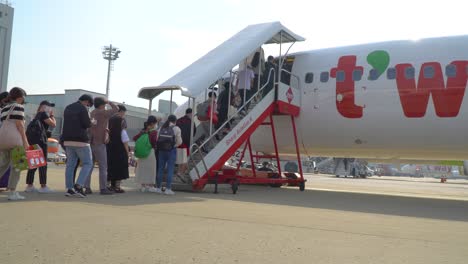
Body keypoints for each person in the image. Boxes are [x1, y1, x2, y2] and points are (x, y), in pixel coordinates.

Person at [0, 87, 30, 200]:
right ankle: (13, 193)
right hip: (15, 140)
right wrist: (25, 141)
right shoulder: (18, 106)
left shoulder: (4, 108)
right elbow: (20, 125)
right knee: (17, 166)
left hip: (3, 140)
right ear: (20, 97)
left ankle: (12, 192)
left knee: (3, 165)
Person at [62, 94, 94, 198]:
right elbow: (87, 124)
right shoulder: (83, 108)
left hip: (67, 140)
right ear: (87, 102)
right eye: (89, 105)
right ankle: (79, 185)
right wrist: (92, 122)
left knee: (70, 165)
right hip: (81, 141)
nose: (88, 106)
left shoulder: (68, 107)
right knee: (88, 163)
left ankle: (69, 188)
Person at [85, 97, 119, 195]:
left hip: (91, 142)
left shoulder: (92, 113)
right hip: (100, 143)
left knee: (89, 166)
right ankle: (103, 188)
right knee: (103, 167)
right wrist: (109, 102)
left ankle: (87, 187)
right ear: (102, 104)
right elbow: (116, 109)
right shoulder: (104, 113)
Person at [25, 100, 56, 193]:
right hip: (41, 141)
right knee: (43, 163)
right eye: (49, 106)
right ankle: (43, 186)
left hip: (32, 141)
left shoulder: (35, 115)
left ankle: (29, 186)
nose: (50, 108)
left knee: (34, 162)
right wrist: (52, 115)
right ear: (45, 107)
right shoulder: (43, 114)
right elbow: (53, 124)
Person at [155, 114, 182, 195]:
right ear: (175, 121)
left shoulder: (161, 128)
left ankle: (158, 188)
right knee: (170, 169)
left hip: (161, 150)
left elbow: (157, 139)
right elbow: (179, 142)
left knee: (160, 169)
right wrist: (175, 145)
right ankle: (168, 189)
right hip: (171, 151)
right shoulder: (176, 128)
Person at [133, 116, 159, 192]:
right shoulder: (154, 132)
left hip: (142, 153)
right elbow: (154, 142)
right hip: (150, 152)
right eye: (155, 123)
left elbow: (135, 138)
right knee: (151, 169)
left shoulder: (143, 131)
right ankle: (150, 186)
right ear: (152, 123)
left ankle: (143, 186)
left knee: (142, 169)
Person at [107, 115, 130, 193]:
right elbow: (125, 144)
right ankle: (117, 187)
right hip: (120, 153)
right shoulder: (122, 132)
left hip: (110, 153)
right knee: (119, 170)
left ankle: (108, 186)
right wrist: (127, 154)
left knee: (110, 169)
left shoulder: (108, 131)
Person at [175, 108, 195, 177]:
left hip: (178, 142)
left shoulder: (179, 120)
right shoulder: (191, 122)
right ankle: (181, 173)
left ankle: (179, 171)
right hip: (186, 143)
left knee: (180, 159)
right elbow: (194, 132)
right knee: (184, 159)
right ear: (190, 113)